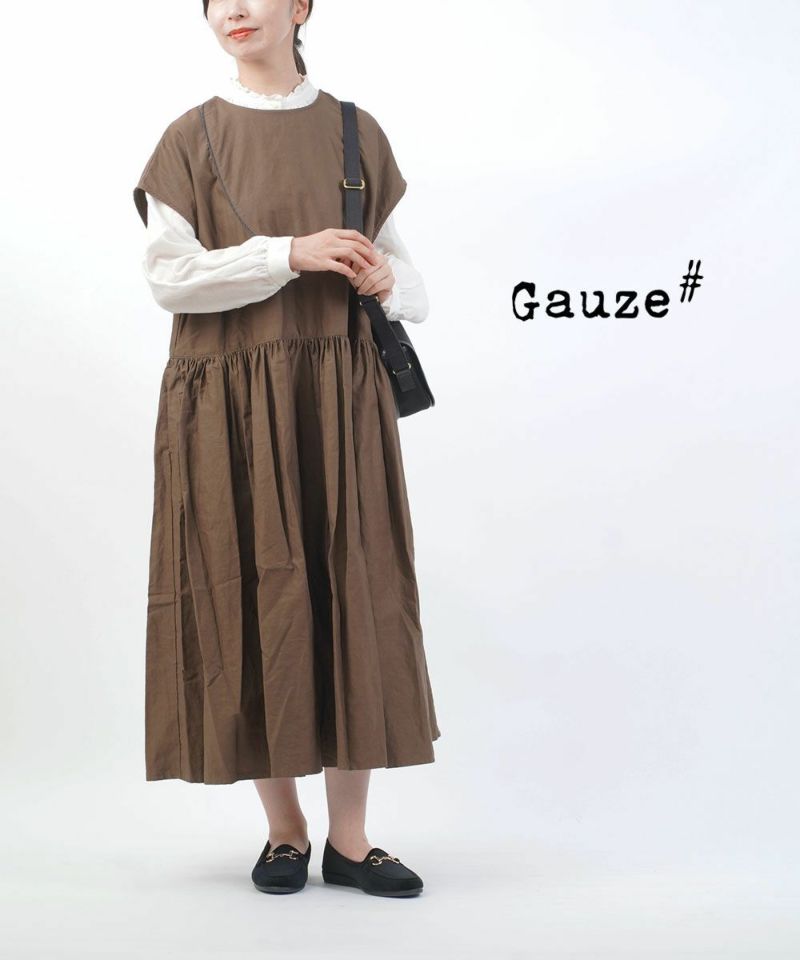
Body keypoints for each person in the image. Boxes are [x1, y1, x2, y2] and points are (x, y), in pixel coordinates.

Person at [132, 0, 441, 898]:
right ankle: (284, 832)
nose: (233, 9)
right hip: (227, 399)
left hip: (339, 397)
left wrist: (384, 276)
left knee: (356, 589)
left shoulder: (355, 132)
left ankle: (351, 840)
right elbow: (169, 277)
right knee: (248, 590)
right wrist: (287, 255)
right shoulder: (189, 138)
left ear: (300, 5)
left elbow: (409, 282)